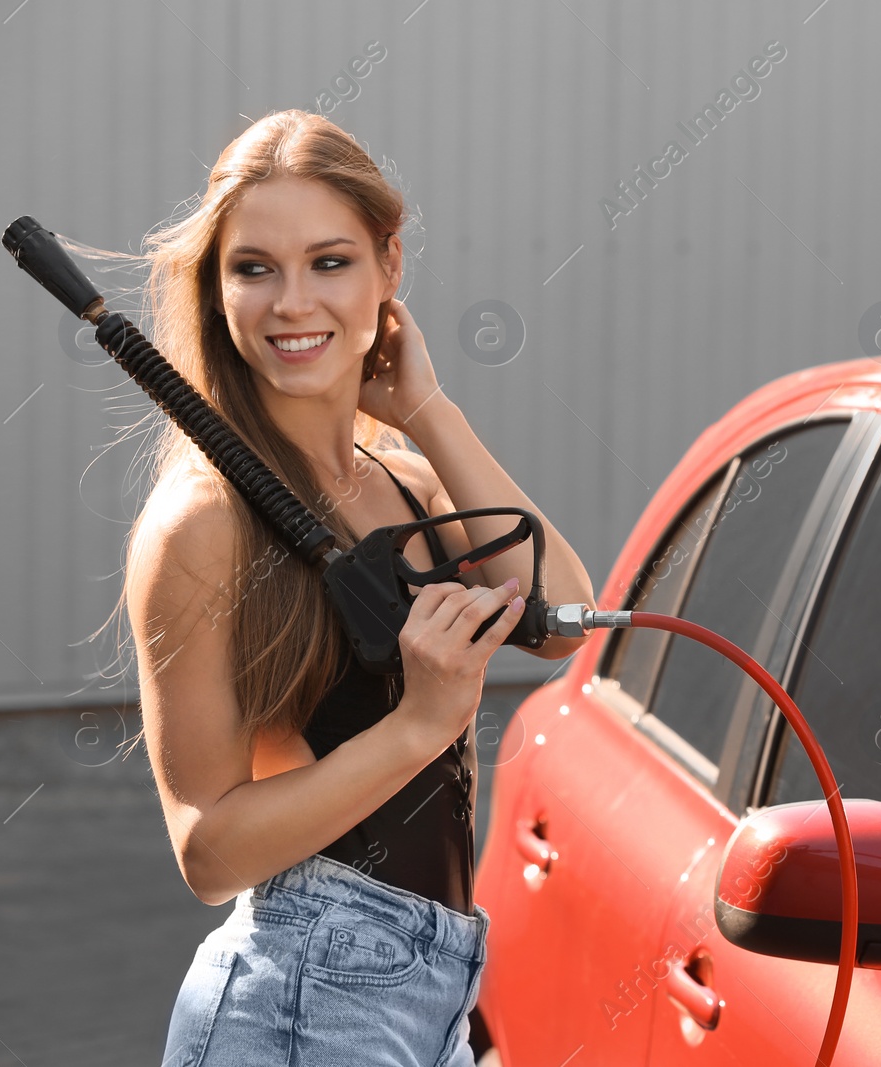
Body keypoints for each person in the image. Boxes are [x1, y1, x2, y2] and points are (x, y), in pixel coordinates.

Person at [116, 109, 595, 1066]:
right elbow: (208, 851)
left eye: (330, 261)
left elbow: (557, 618)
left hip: (439, 988)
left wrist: (425, 407)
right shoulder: (203, 524)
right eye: (254, 268)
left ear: (389, 268)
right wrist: (418, 725)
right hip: (303, 997)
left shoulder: (406, 477)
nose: (292, 303)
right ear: (216, 292)